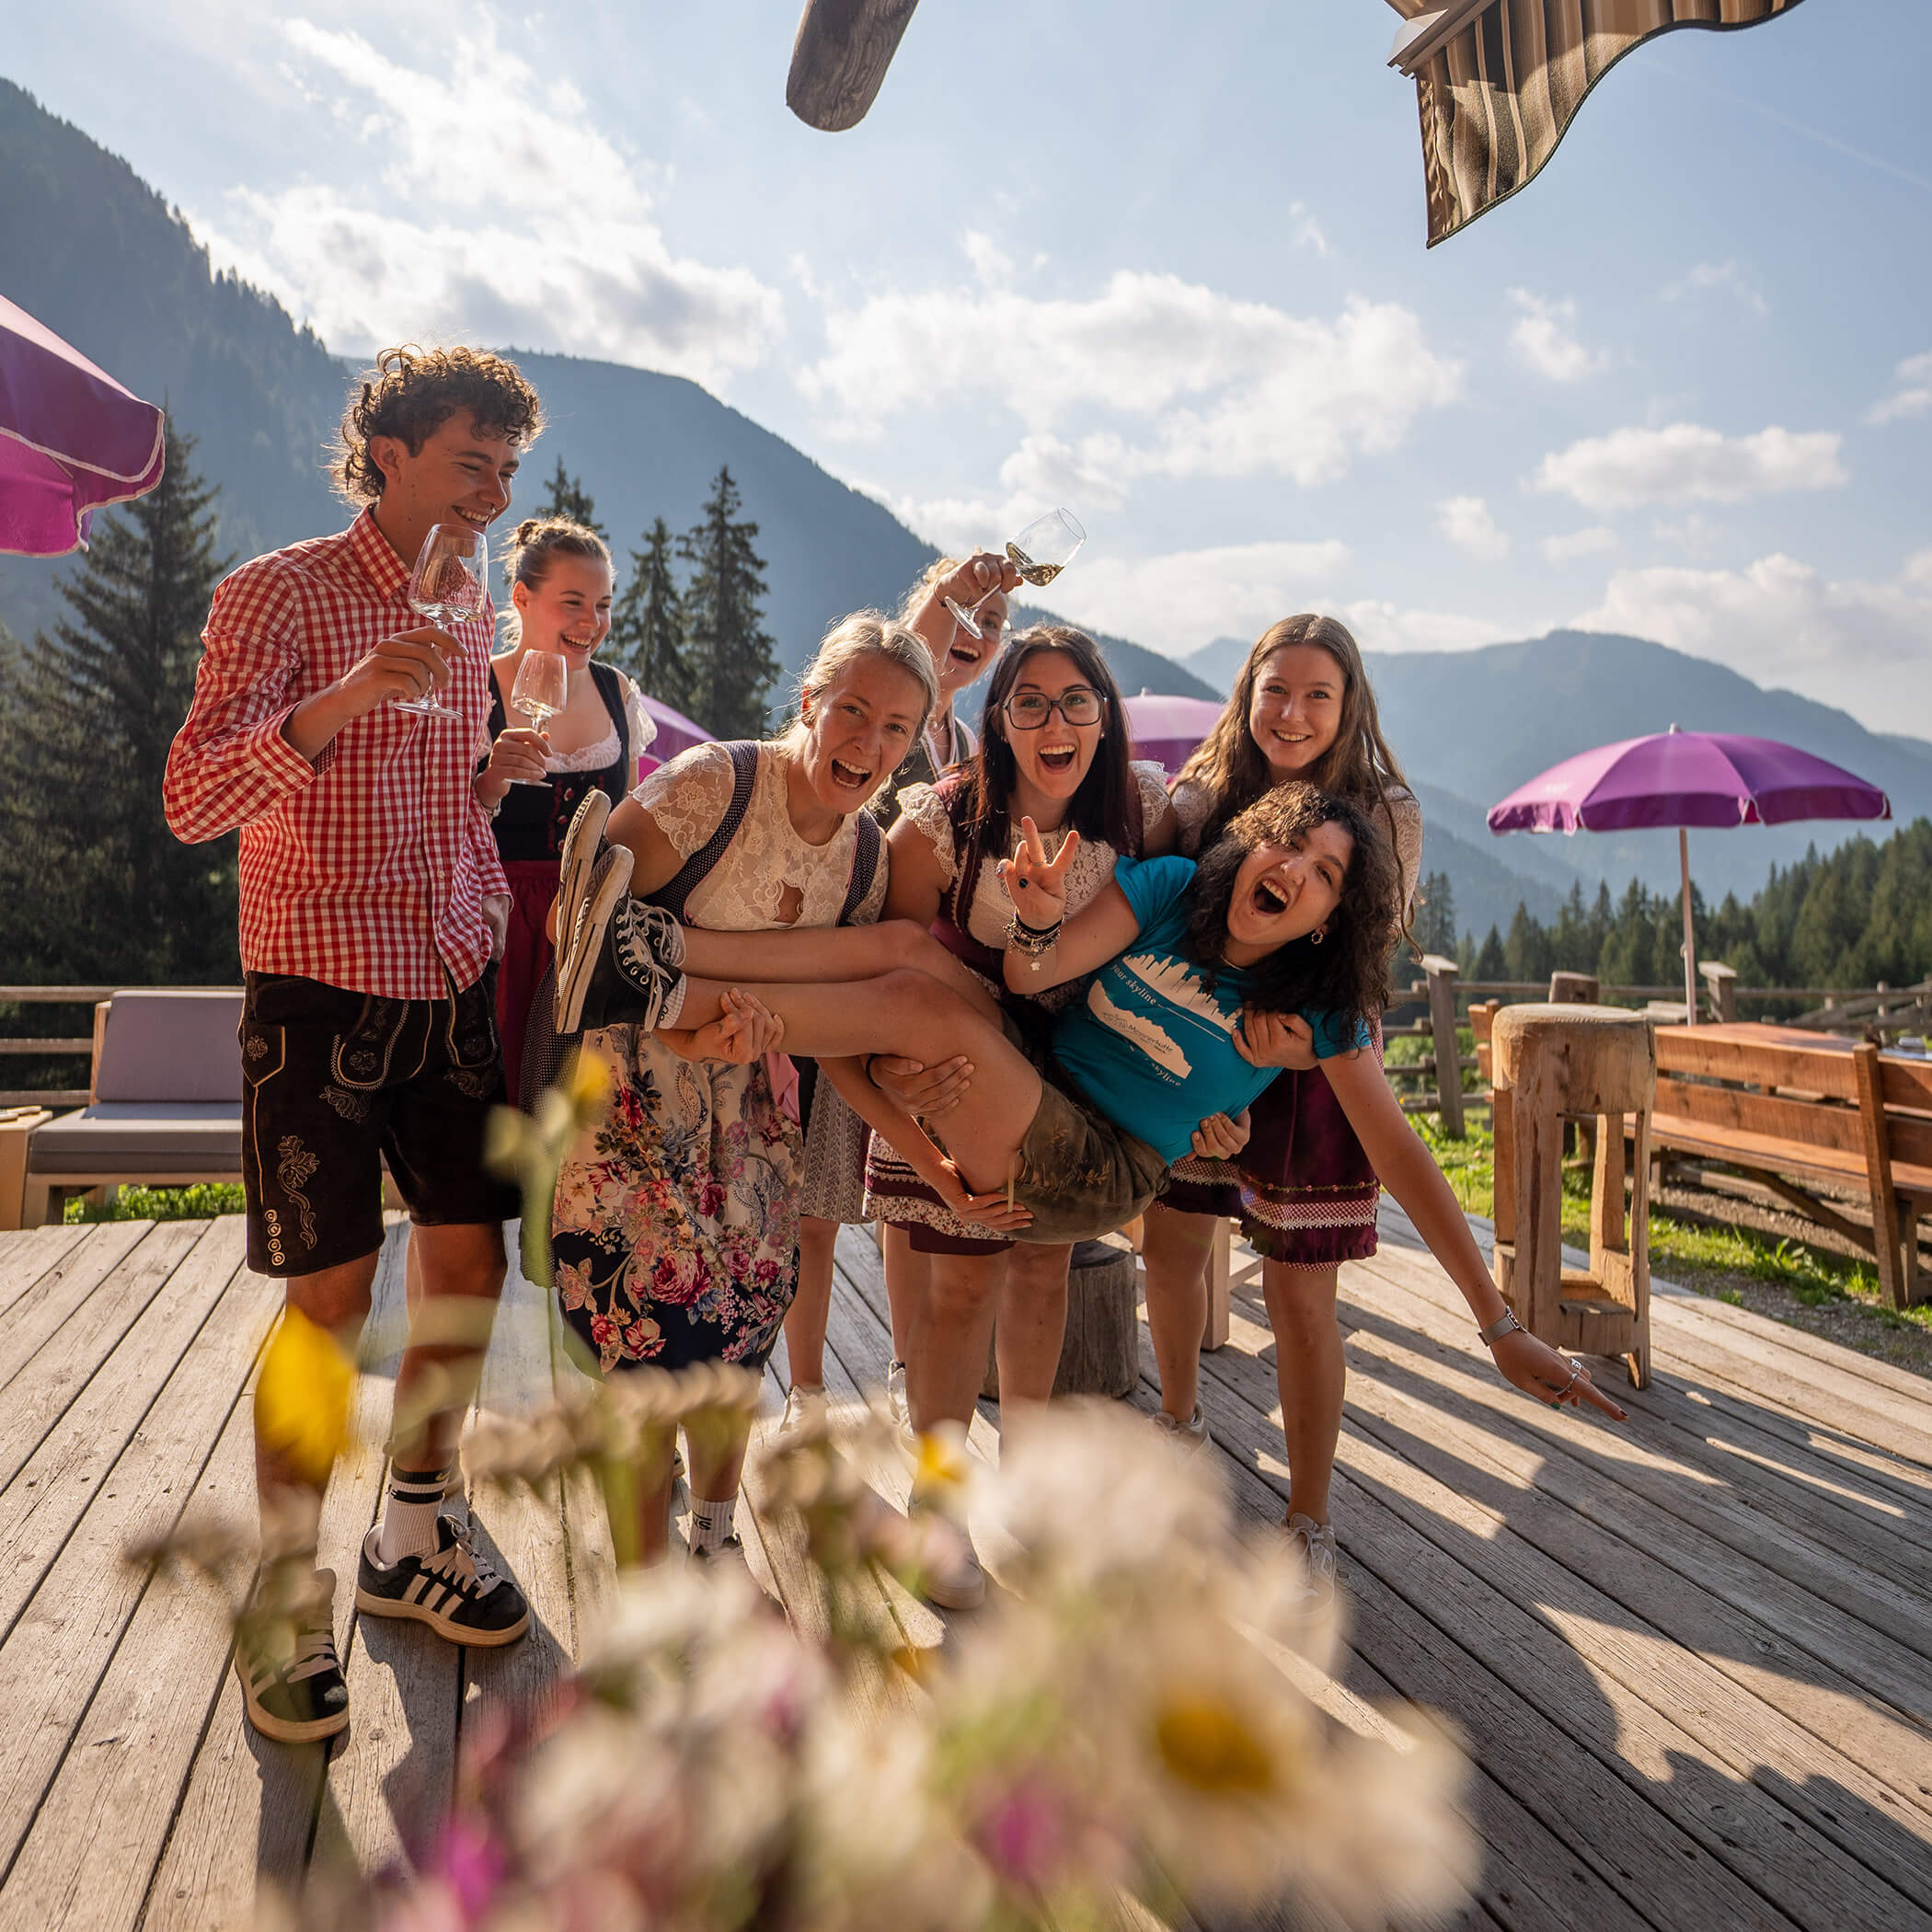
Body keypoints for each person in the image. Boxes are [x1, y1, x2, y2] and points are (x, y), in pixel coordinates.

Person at [555, 782, 1627, 1471]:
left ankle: (645, 989)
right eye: (1289, 843)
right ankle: (657, 950)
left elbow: (1400, 1154)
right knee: (920, 957)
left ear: (1330, 915)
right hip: (1039, 1084)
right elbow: (1037, 969)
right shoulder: (1171, 891)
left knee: (923, 1004)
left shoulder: (1316, 1013)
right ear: (1254, 845)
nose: (1295, 870)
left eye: (1326, 875)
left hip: (1101, 1168)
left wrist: (1497, 1321)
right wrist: (1031, 913)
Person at [163, 345, 544, 1743]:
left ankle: (417, 1530)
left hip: (446, 969)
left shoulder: (472, 593)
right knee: (328, 1300)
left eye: (508, 470)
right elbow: (196, 796)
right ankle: (283, 1589)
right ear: (386, 454)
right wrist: (341, 700)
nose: (493, 495)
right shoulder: (278, 593)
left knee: (468, 1258)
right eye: (469, 463)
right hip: (318, 988)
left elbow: (433, 788)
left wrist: (489, 774)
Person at [546, 612, 943, 1570]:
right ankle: (647, 1591)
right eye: (852, 711)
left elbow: (840, 1032)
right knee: (641, 1354)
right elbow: (580, 928)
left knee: (734, 1342)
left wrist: (932, 1153)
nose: (870, 743)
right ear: (810, 703)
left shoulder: (869, 861)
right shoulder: (715, 785)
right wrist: (686, 1024)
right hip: (630, 1108)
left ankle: (715, 1543)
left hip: (759, 1125)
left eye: (896, 728)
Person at [850, 626, 1179, 1604]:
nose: (1056, 720)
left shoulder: (1146, 816)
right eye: (1029, 701)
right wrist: (888, 1074)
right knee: (957, 1297)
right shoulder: (939, 825)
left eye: (1079, 700)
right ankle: (939, 1513)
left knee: (1045, 1277)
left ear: (1106, 717)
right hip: (952, 1083)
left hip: (1081, 1078)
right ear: (997, 721)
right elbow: (884, 972)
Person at [1144, 613, 1423, 1610]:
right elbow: (1164, 933)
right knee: (1169, 1250)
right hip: (1199, 1059)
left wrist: (1302, 1048)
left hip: (1311, 1077)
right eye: (1276, 690)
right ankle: (1179, 1433)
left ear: (1349, 704)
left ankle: (1308, 1519)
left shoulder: (1384, 812)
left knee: (1303, 1298)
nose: (1292, 712)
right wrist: (1204, 1089)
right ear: (1246, 692)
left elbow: (1367, 969)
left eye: (1317, 694)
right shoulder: (1202, 795)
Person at [784, 554, 1018, 1430]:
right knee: (811, 1209)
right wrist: (956, 591)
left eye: (990, 628)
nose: (973, 636)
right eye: (960, 619)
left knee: (891, 1205)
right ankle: (805, 1393)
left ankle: (911, 1369)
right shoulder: (896, 713)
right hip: (821, 967)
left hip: (892, 995)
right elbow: (900, 663)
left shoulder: (961, 747)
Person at [477, 516, 655, 1101]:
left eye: (603, 605)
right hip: (499, 920)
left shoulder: (617, 692)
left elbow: (631, 813)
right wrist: (494, 781)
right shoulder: (478, 688)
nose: (592, 623)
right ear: (522, 598)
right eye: (573, 602)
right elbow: (442, 824)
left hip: (592, 920)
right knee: (500, 1096)